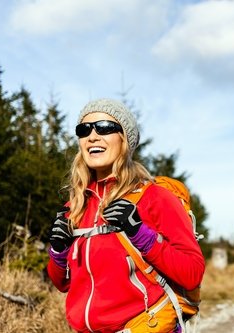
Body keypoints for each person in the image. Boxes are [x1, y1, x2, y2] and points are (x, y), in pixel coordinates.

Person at [47, 98, 205, 333]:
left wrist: (140, 233)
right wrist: (58, 253)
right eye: (84, 130)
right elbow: (63, 284)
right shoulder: (76, 206)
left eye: (104, 127)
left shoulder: (154, 197)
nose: (92, 136)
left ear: (125, 140)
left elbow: (192, 273)